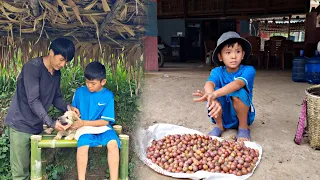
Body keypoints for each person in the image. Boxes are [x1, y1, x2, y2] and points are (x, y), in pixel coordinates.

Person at [4, 37, 80, 180]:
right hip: (20, 125)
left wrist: (69, 107)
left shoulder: (56, 73)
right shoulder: (33, 68)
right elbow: (33, 100)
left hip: (37, 126)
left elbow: (56, 97)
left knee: (37, 170)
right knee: (21, 174)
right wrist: (51, 123)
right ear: (51, 53)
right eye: (61, 60)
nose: (63, 64)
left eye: (66, 62)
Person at [193, 31, 256, 142]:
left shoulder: (248, 70)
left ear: (243, 55)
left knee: (238, 91)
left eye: (237, 51)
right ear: (220, 57)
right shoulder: (217, 71)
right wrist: (210, 95)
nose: (233, 56)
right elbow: (209, 83)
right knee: (212, 93)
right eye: (228, 52)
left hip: (243, 115)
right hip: (221, 114)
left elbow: (238, 84)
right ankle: (219, 126)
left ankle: (243, 128)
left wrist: (214, 94)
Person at [70, 61, 120, 180]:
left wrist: (83, 122)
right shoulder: (79, 92)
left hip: (103, 128)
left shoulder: (108, 95)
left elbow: (105, 122)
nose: (89, 86)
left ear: (103, 82)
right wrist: (73, 110)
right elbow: (72, 110)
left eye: (93, 83)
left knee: (113, 144)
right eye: (87, 82)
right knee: (82, 146)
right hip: (84, 130)